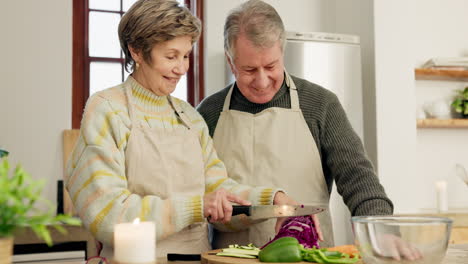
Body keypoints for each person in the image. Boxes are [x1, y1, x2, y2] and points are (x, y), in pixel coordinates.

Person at [65, 0, 294, 261]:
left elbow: (219, 190)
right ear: (137, 51)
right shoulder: (107, 110)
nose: (182, 68)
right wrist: (197, 206)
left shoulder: (189, 118)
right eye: (171, 56)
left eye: (186, 56)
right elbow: (107, 214)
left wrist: (272, 199)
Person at [197, 0, 394, 249]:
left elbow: (357, 176)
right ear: (230, 61)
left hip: (308, 256)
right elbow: (194, 192)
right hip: (227, 258)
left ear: (282, 51)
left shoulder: (320, 104)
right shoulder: (208, 112)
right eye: (249, 69)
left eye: (270, 66)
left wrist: (379, 229)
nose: (262, 80)